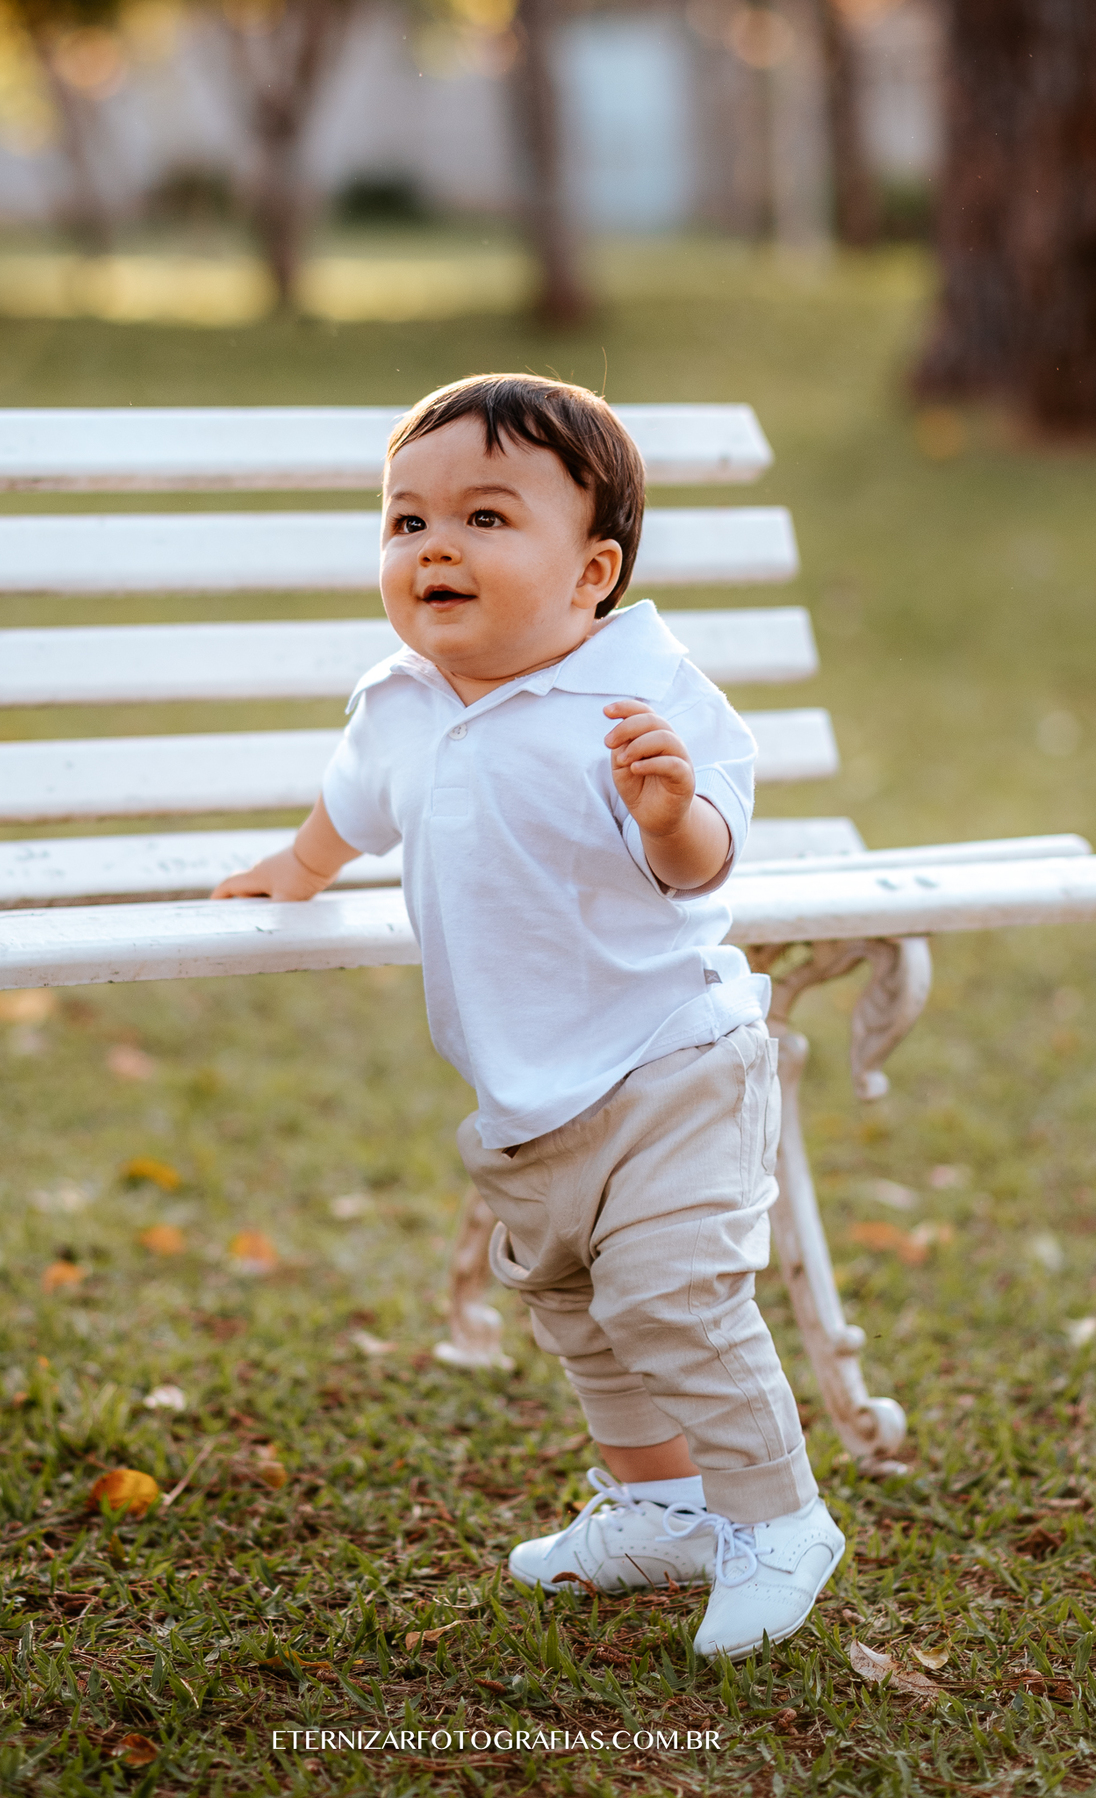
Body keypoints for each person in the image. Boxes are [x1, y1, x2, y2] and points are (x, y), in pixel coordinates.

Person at [212, 373, 844, 1659]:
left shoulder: (639, 699)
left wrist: (670, 813)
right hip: (527, 1094)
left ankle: (777, 1518)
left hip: (672, 1059)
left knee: (674, 1297)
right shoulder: (401, 700)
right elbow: (355, 803)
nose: (435, 545)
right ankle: (661, 1504)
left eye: (487, 518)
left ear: (590, 570)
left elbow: (700, 858)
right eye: (408, 522)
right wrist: (302, 866)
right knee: (577, 1308)